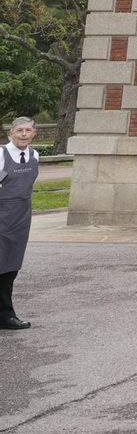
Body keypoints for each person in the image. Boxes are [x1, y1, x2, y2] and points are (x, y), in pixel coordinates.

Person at [0, 117, 39, 330]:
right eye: (19, 130)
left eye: (28, 130)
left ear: (33, 134)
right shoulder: (1, 154)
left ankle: (5, 316)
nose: (24, 134)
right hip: (1, 216)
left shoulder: (34, 155)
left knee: (11, 267)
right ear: (11, 134)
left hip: (21, 217)